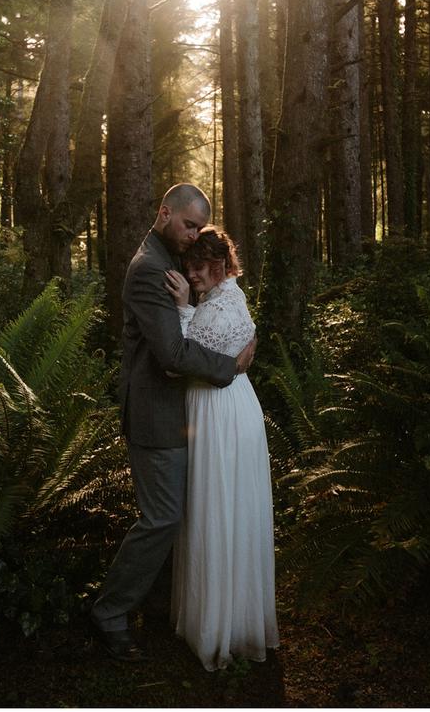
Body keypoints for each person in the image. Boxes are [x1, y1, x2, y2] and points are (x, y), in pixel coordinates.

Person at [88, 184, 256, 662]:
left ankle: (158, 609)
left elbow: (212, 315)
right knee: (162, 517)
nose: (193, 235)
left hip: (184, 416)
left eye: (199, 228)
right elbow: (173, 353)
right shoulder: (149, 271)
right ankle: (110, 613)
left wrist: (245, 337)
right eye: (187, 225)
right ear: (164, 213)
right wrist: (232, 367)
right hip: (156, 415)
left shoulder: (171, 264)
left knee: (180, 516)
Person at [163, 227, 279, 671]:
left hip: (220, 412)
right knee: (221, 505)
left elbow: (183, 361)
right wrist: (190, 308)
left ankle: (222, 627)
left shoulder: (222, 304)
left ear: (220, 264)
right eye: (188, 266)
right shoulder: (224, 297)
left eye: (199, 266)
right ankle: (222, 615)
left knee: (220, 506)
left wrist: (180, 310)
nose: (191, 274)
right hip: (228, 406)